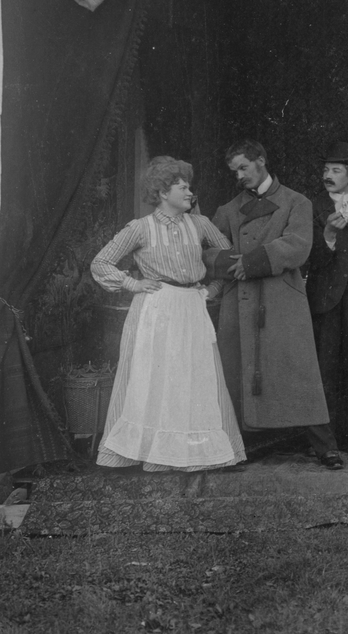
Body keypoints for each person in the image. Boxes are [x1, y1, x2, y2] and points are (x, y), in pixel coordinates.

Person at [90, 156, 245, 472]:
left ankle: (196, 454)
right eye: (182, 187)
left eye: (189, 187)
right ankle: (154, 454)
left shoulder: (200, 224)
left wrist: (211, 290)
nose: (190, 192)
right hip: (156, 309)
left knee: (196, 379)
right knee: (155, 379)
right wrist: (133, 283)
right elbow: (100, 263)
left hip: (192, 308)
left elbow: (230, 260)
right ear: (163, 193)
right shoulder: (140, 228)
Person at [206, 140, 343, 470]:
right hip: (239, 302)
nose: (239, 176)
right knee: (238, 373)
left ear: (261, 161)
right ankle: (238, 446)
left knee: (299, 373)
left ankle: (325, 446)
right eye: (234, 171)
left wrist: (251, 262)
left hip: (282, 301)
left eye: (244, 167)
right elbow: (206, 251)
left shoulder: (296, 202)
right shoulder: (228, 210)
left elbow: (298, 245)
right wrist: (232, 263)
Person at [305, 141, 348, 456]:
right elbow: (308, 259)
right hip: (325, 299)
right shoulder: (310, 208)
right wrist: (328, 236)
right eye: (325, 170)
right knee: (326, 368)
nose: (327, 176)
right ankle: (326, 438)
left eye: (335, 170)